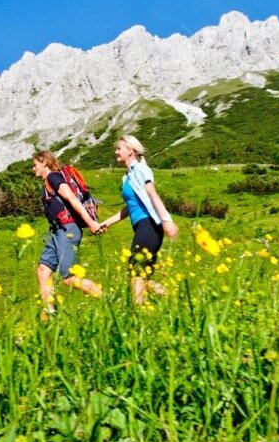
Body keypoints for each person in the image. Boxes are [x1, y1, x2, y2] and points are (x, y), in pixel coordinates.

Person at [97, 135, 179, 304]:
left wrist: (167, 220)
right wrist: (107, 223)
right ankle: (176, 300)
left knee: (135, 273)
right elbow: (130, 208)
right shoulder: (127, 176)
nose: (116, 152)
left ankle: (138, 315)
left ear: (131, 151)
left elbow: (152, 193)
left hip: (149, 225)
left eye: (119, 148)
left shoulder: (141, 169)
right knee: (144, 278)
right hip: (143, 226)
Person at [32, 151, 102, 315]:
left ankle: (107, 299)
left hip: (67, 229)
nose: (33, 168)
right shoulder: (49, 181)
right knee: (43, 271)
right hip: (57, 232)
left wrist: (91, 222)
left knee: (69, 278)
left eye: (35, 164)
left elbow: (71, 197)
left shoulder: (53, 177)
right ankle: (49, 313)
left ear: (44, 163)